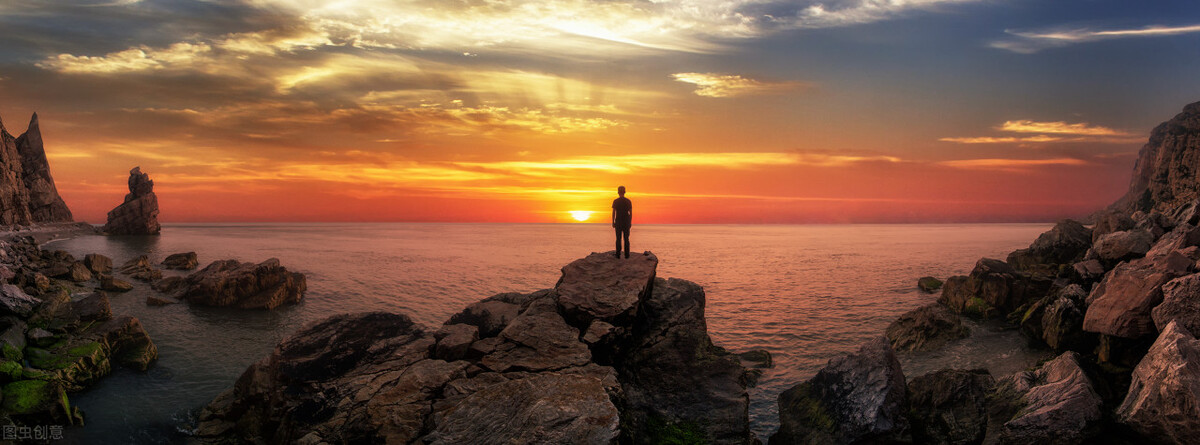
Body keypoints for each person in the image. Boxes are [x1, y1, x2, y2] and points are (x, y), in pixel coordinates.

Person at [612, 186, 632, 258]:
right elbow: (631, 213)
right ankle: (627, 255)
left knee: (618, 238)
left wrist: (613, 222)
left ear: (618, 192)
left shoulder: (616, 201)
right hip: (626, 222)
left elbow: (614, 212)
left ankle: (618, 254)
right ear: (624, 192)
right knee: (626, 239)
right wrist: (630, 222)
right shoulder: (628, 201)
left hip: (618, 222)